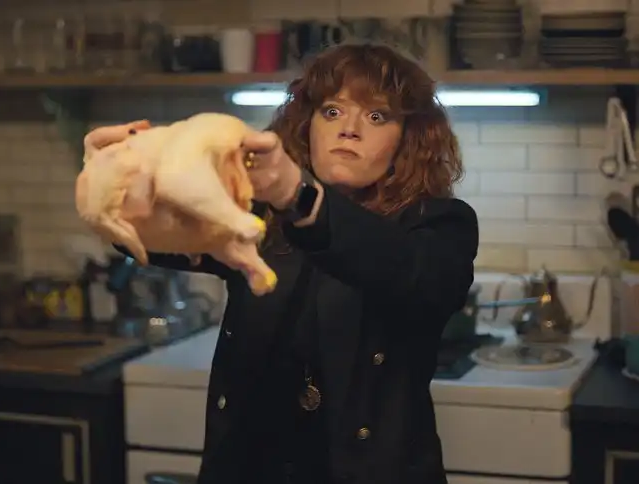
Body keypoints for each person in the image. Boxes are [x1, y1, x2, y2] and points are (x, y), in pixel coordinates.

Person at [109, 43, 478, 484]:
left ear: (407, 140)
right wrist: (115, 174)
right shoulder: (257, 215)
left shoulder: (439, 224)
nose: (350, 130)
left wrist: (298, 196)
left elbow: (408, 270)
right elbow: (149, 234)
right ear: (307, 126)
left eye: (377, 116)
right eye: (332, 112)